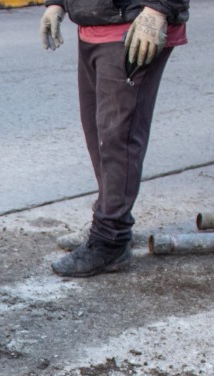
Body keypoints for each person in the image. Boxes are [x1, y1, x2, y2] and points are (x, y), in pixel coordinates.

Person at [39, 0, 189, 277]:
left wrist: (158, 9)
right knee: (100, 136)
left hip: (133, 28)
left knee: (118, 138)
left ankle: (111, 240)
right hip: (96, 24)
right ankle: (110, 220)